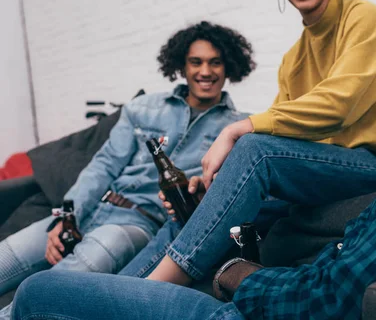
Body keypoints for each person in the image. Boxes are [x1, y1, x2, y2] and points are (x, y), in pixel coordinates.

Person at [11, 0, 376, 320]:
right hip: (269, 269)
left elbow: (331, 295)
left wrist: (240, 275)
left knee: (39, 292)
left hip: (260, 311)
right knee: (207, 211)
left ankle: (143, 292)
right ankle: (135, 294)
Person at [113, 0, 376, 284]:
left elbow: (341, 104)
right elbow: (286, 138)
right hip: (333, 169)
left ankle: (160, 284)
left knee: (254, 148)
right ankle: (116, 292)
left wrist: (238, 128)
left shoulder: (363, 17)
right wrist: (214, 185)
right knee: (196, 206)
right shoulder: (294, 58)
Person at [0, 21, 255, 318]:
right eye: (195, 62)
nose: (205, 72)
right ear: (182, 67)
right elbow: (103, 165)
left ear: (229, 67)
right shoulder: (143, 108)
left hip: (137, 224)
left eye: (215, 62)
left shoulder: (235, 129)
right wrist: (67, 216)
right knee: (8, 255)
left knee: (86, 262)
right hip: (92, 208)